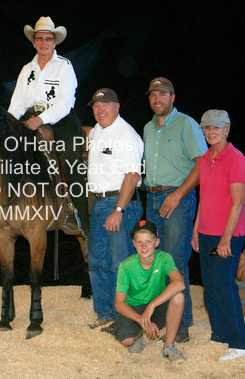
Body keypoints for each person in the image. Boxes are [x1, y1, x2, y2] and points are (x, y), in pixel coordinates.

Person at [7, 16, 89, 237]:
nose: (44, 43)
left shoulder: (64, 66)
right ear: (34, 42)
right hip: (30, 118)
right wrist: (9, 126)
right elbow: (17, 103)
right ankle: (5, 207)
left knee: (70, 160)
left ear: (55, 42)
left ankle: (78, 216)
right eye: (40, 38)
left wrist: (41, 119)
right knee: (8, 153)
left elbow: (65, 102)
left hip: (61, 118)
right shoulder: (27, 69)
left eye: (48, 39)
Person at [142, 77, 207, 342]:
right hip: (153, 198)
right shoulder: (148, 128)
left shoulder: (186, 124)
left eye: (162, 94)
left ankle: (181, 325)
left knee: (175, 262)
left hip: (177, 199)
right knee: (157, 262)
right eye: (152, 95)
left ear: (172, 97)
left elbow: (203, 164)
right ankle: (163, 317)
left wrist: (178, 195)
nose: (157, 99)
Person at [191, 109, 245, 361]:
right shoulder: (205, 158)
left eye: (216, 127)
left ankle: (240, 344)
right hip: (206, 232)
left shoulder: (236, 159)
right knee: (211, 286)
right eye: (207, 128)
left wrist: (226, 239)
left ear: (227, 129)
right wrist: (196, 229)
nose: (211, 132)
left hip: (229, 234)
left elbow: (238, 202)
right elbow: (203, 198)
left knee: (225, 286)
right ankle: (219, 334)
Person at [86, 88, 144, 329]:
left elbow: (132, 175)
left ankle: (128, 320)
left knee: (121, 264)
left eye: (105, 105)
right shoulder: (96, 131)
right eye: (96, 106)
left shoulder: (126, 135)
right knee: (98, 262)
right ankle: (106, 313)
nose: (100, 110)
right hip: (100, 203)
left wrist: (118, 211)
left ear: (117, 107)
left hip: (120, 203)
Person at [113, 220, 186, 363]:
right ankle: (138, 334)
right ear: (134, 244)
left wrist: (151, 306)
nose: (144, 246)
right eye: (139, 242)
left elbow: (180, 283)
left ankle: (168, 347)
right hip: (135, 308)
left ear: (157, 242)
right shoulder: (126, 266)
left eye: (148, 241)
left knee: (178, 297)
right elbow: (119, 304)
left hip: (156, 307)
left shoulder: (164, 258)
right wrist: (140, 319)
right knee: (127, 341)